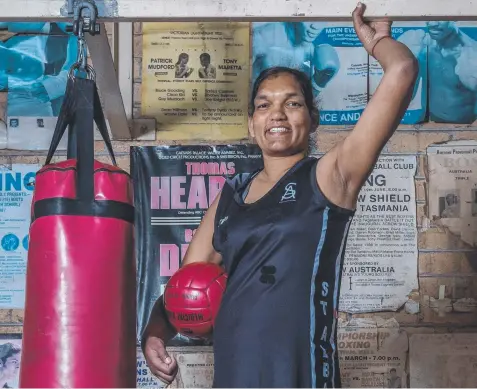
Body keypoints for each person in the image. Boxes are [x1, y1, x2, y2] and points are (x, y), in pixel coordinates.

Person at [142, 3, 418, 387]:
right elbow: (183, 286)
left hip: (300, 373)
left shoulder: (331, 176)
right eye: (264, 105)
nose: (277, 114)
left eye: (292, 103)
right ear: (252, 124)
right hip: (235, 374)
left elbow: (402, 72)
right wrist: (154, 333)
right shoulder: (230, 196)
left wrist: (380, 41)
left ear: (312, 118)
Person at [399, 21, 477, 123]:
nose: (432, 23)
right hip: (430, 121)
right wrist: (406, 65)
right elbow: (405, 99)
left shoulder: (471, 53)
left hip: (465, 127)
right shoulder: (422, 45)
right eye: (429, 16)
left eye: (440, 18)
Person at [252, 21, 340, 94]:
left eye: (321, 18)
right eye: (310, 17)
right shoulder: (262, 37)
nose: (316, 26)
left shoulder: (312, 50)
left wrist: (319, 83)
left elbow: (303, 101)